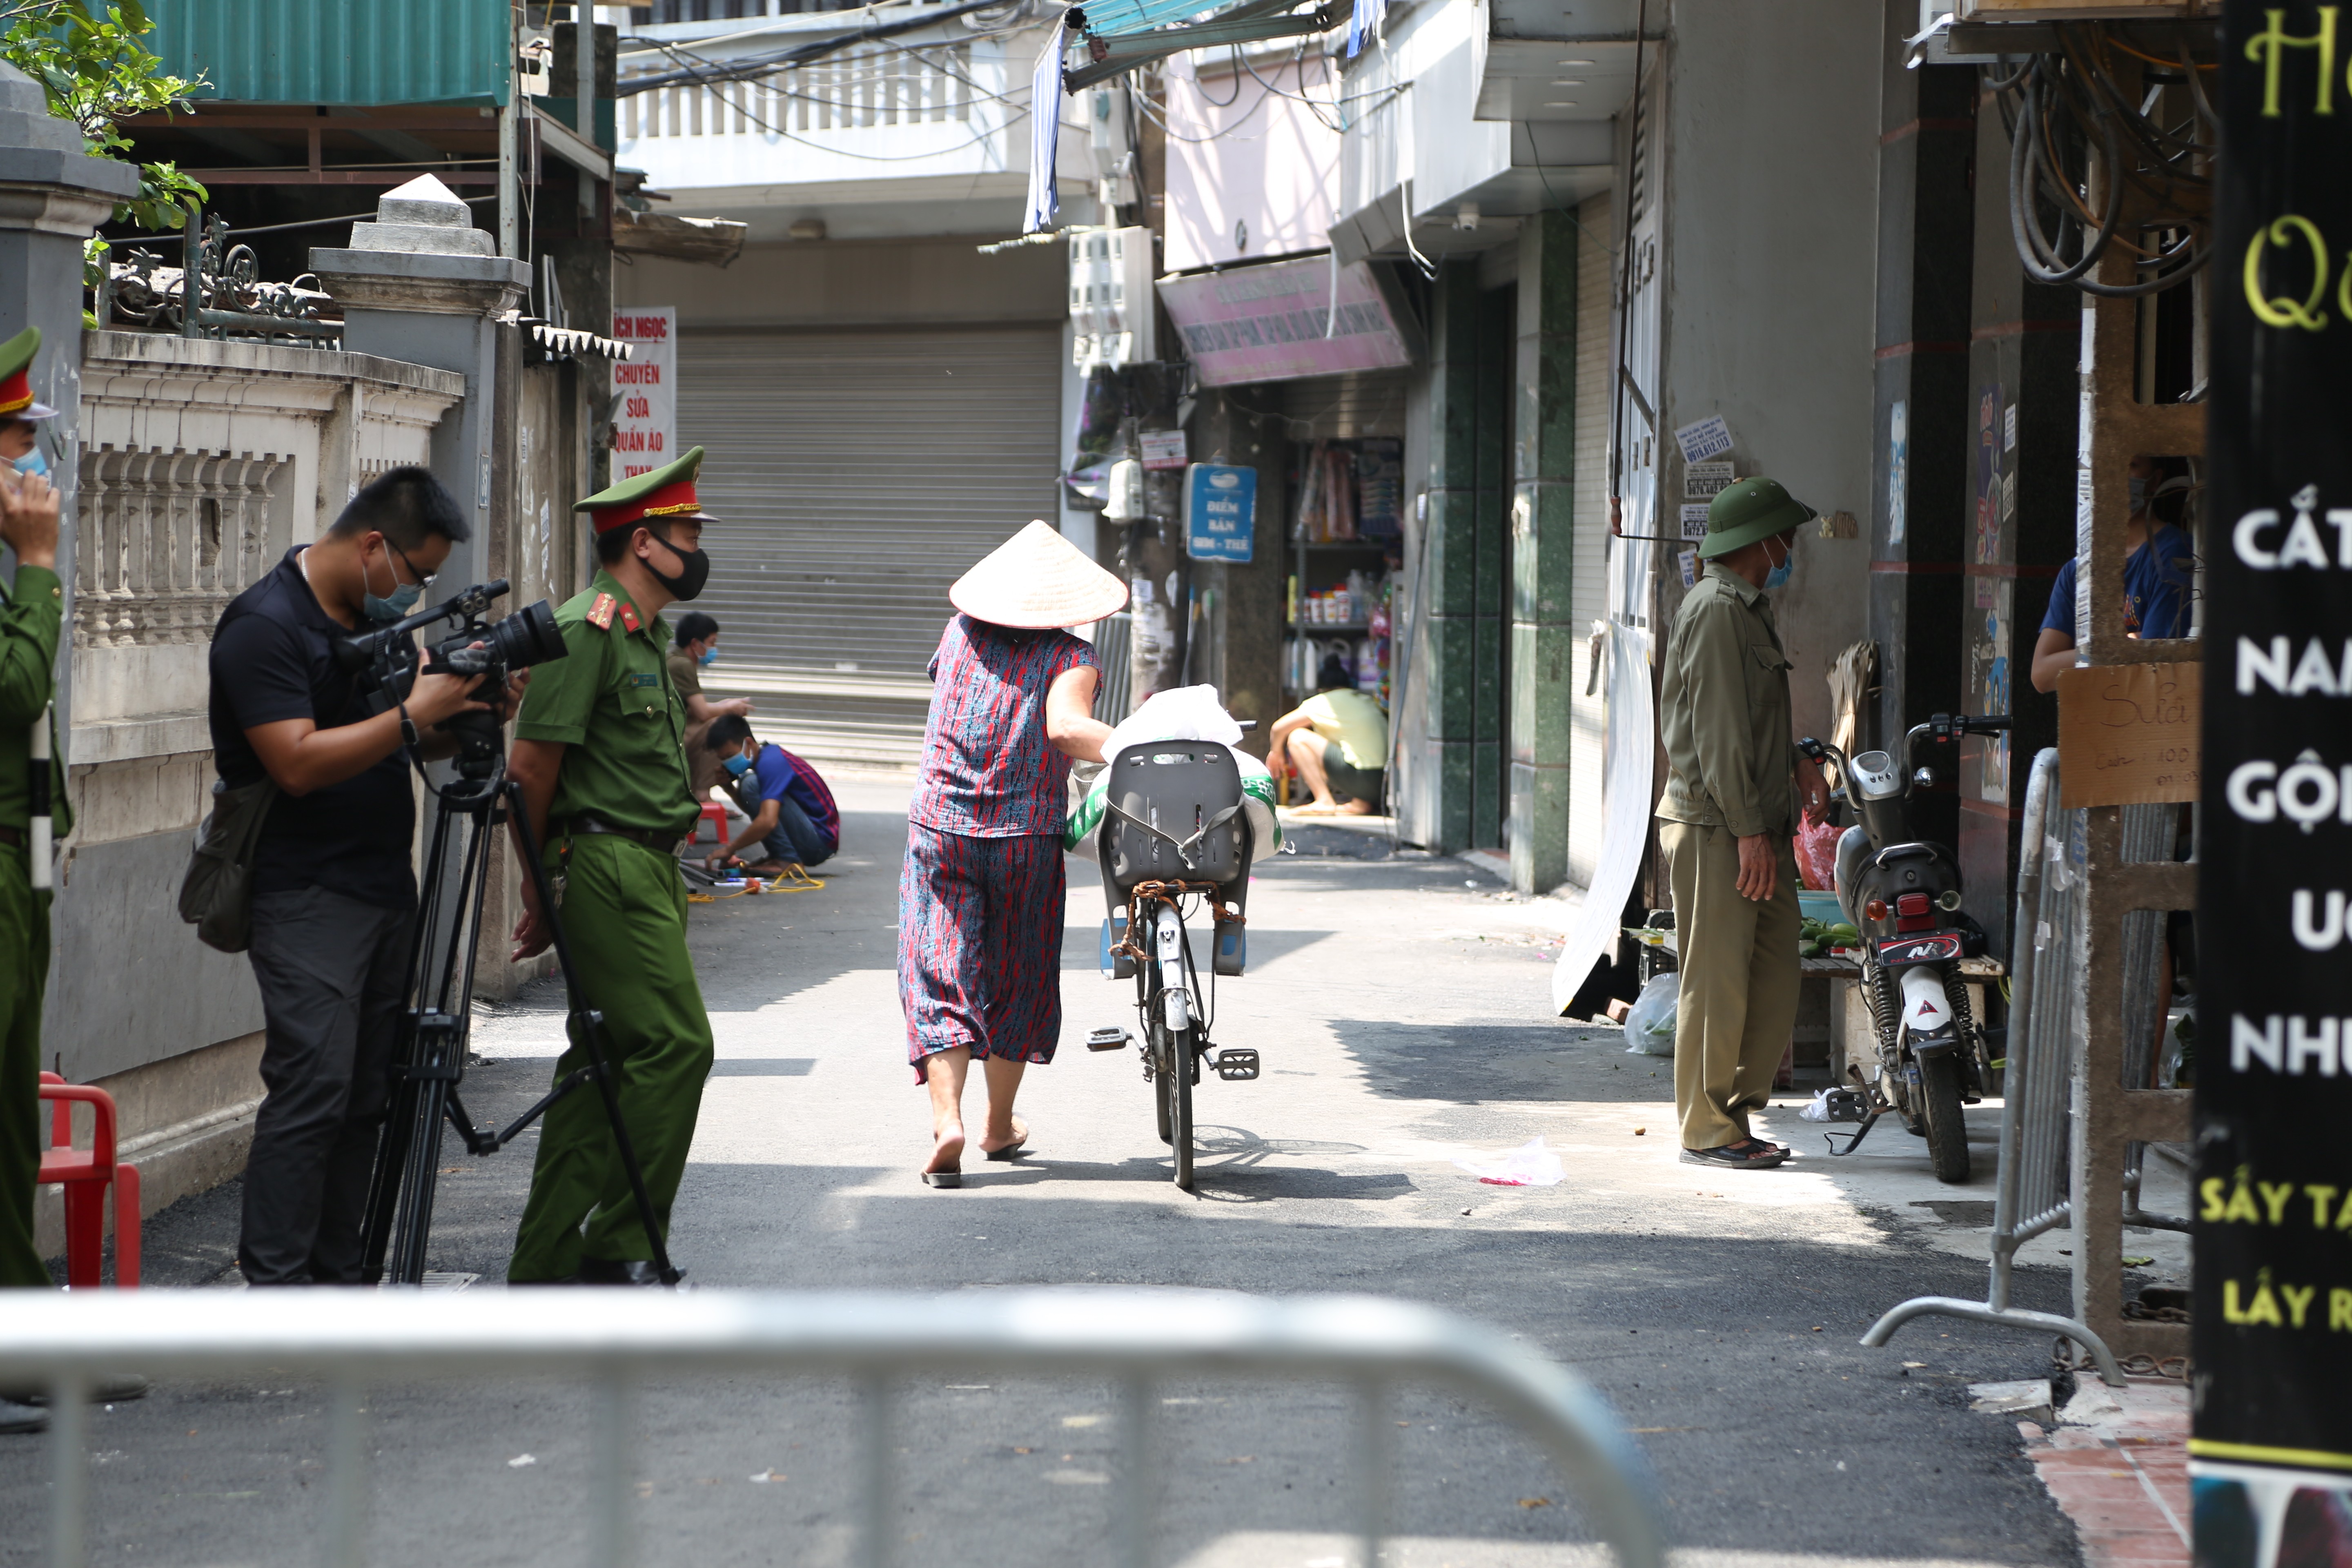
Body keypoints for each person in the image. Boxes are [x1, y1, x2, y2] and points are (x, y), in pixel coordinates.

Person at [209, 467, 502, 1285]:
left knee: (370, 1092)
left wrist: (463, 714)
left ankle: (342, 1279)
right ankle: (276, 1287)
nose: (415, 596)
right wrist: (418, 712)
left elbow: (396, 743)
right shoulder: (263, 627)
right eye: (416, 576)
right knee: (314, 1088)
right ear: (374, 546)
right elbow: (296, 764)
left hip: (382, 887)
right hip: (303, 894)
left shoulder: (371, 627)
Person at [506, 445, 720, 1285]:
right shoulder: (583, 630)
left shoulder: (645, 637)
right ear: (641, 542)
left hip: (649, 870)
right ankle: (618, 1245)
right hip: (607, 866)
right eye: (686, 533)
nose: (698, 549)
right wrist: (538, 885)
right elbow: (531, 771)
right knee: (676, 1047)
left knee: (602, 1060)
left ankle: (548, 1257)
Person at [900, 521, 1124, 1187]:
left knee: (941, 971)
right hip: (1025, 838)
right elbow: (1066, 728)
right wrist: (1140, 740)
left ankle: (950, 1123)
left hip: (942, 828)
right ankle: (999, 1125)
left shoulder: (958, 633)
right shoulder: (1071, 656)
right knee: (1017, 976)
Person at [1657, 477, 1830, 1172]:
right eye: (1786, 534)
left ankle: (1734, 1112)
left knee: (1772, 970)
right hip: (1718, 827)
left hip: (1750, 820)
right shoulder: (1718, 611)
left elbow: (1753, 722)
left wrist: (1797, 765)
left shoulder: (1747, 610)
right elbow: (1722, 734)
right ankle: (1708, 1125)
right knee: (1719, 976)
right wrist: (1751, 834)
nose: (1793, 547)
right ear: (1764, 540)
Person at [2030, 454, 2196, 693]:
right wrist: (2124, 645)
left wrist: (2081, 656)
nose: (2117, 476)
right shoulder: (2076, 571)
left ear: (2155, 479)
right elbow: (2042, 675)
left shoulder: (2174, 554)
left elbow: (2155, 664)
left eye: (2132, 465)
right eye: (2107, 463)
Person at [702, 715, 839, 874]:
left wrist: (730, 849)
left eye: (730, 756)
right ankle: (780, 856)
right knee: (749, 784)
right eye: (723, 759)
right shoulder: (765, 761)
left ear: (749, 743)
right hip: (813, 838)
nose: (727, 762)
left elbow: (768, 821)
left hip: (819, 842)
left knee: (750, 783)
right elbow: (758, 811)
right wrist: (728, 788)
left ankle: (787, 859)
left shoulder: (771, 763)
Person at [1269, 658, 1387, 815]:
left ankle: (1324, 801)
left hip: (1361, 779)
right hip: (1384, 783)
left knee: (1298, 737)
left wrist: (1276, 753)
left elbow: (1279, 728)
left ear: (1321, 690)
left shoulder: (1323, 701)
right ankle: (1361, 803)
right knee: (1352, 744)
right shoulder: (1366, 700)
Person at [668, 610, 751, 800]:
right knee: (719, 725)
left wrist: (725, 704)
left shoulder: (674, 658)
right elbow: (703, 713)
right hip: (672, 737)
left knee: (718, 718)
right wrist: (729, 708)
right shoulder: (682, 665)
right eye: (712, 643)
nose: (714, 648)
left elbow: (696, 710)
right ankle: (702, 794)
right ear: (696, 644)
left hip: (677, 731)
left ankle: (697, 791)